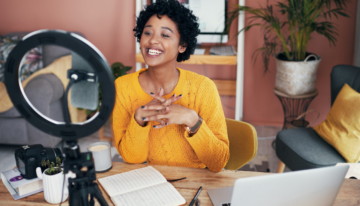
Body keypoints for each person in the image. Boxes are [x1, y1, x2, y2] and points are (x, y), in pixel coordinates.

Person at [113, 0, 229, 172]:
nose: (153, 41)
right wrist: (139, 120)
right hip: (153, 182)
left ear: (182, 46)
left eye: (165, 35)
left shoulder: (204, 88)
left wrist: (192, 120)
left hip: (196, 182)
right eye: (147, 33)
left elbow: (218, 162)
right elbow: (132, 158)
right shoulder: (123, 87)